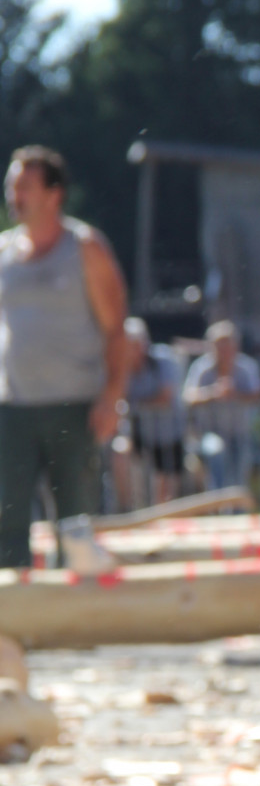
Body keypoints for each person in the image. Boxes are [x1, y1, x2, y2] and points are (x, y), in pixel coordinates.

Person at [0, 145, 128, 565]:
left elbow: (115, 328)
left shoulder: (85, 247)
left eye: (25, 185)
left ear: (54, 194)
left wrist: (112, 397)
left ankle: (76, 625)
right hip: (13, 407)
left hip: (73, 407)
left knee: (75, 527)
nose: (13, 193)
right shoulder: (3, 253)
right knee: (7, 522)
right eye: (11, 184)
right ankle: (12, 623)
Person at [182, 320, 260, 493]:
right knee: (217, 453)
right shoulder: (201, 368)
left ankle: (237, 512)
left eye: (228, 344)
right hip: (209, 433)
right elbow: (188, 396)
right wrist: (213, 393)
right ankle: (218, 504)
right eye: (220, 345)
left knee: (240, 471)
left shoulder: (246, 367)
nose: (225, 350)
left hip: (241, 433)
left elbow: (257, 395)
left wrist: (235, 394)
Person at [122, 317, 186, 505]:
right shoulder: (121, 367)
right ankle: (129, 510)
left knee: (166, 486)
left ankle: (165, 522)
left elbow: (166, 397)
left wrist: (135, 404)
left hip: (169, 434)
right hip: (139, 434)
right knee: (122, 458)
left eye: (137, 344)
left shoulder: (163, 360)